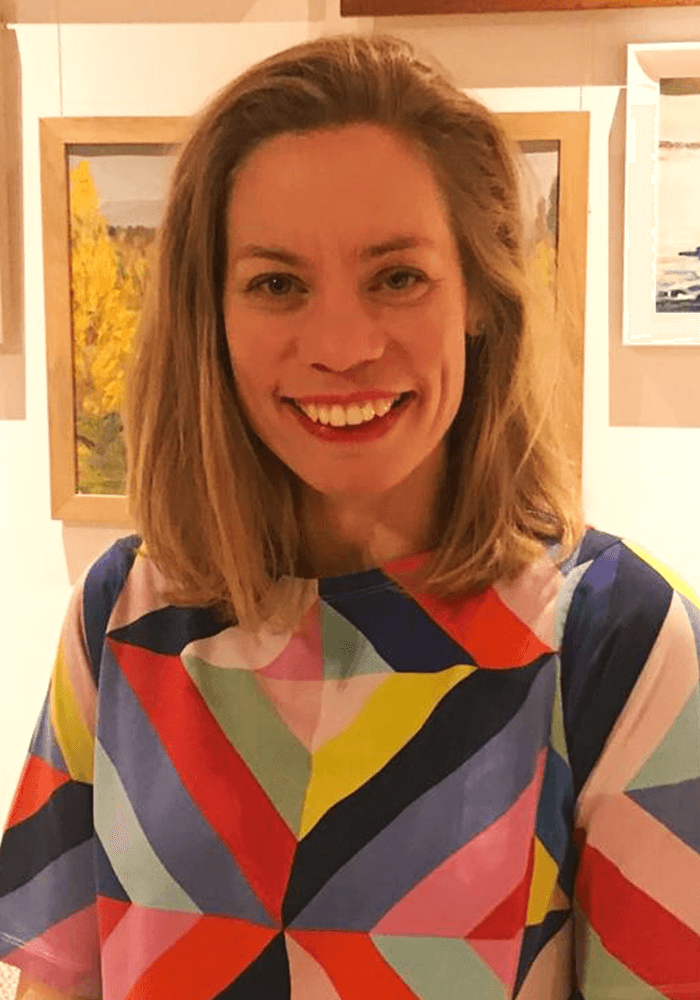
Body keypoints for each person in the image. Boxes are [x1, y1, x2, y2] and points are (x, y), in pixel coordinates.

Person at [1, 32, 698, 1000]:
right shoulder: (121, 611)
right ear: (212, 316)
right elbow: (59, 982)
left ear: (479, 295)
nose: (340, 344)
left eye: (397, 276)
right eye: (276, 284)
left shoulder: (618, 638)